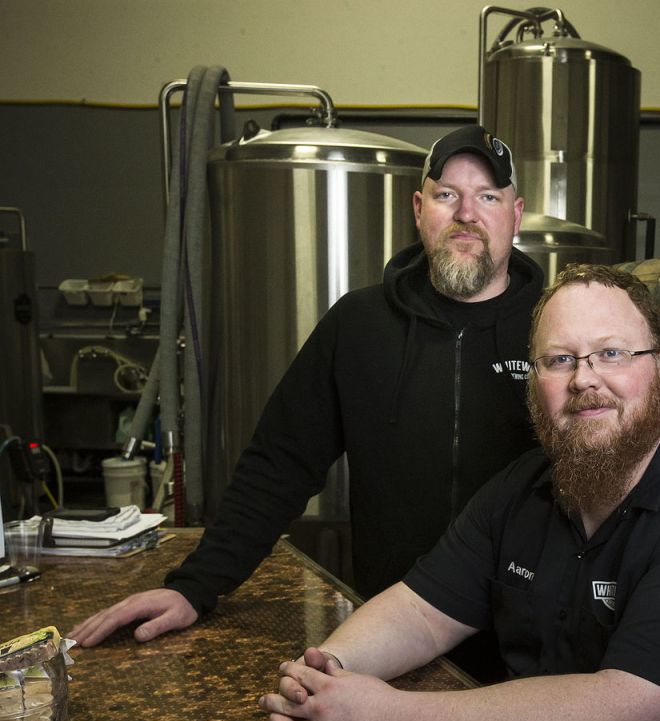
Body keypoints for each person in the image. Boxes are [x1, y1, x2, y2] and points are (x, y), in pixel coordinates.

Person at [258, 264, 660, 721]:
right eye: (560, 360)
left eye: (611, 353)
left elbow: (629, 719)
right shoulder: (524, 486)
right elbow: (421, 613)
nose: (585, 379)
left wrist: (385, 720)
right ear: (534, 382)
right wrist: (324, 675)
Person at [70, 126, 543, 673]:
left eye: (488, 197)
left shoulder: (555, 331)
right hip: (390, 639)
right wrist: (194, 586)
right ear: (419, 209)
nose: (466, 213)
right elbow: (279, 464)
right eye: (447, 195)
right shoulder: (361, 325)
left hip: (525, 647)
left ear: (516, 215)